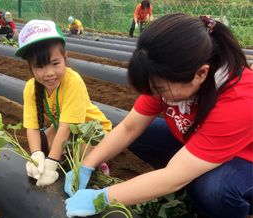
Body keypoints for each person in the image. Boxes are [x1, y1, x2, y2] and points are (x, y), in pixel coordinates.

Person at [64, 13, 253, 218]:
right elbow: (130, 127)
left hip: (244, 162)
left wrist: (103, 198)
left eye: (160, 89)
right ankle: (187, 175)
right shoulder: (167, 78)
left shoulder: (240, 100)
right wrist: (86, 164)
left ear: (200, 74)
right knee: (140, 134)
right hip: (200, 143)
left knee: (213, 188)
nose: (155, 95)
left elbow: (173, 176)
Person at [14, 20, 112, 187]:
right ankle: (64, 152)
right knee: (41, 142)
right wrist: (36, 155)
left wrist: (51, 163)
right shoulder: (31, 88)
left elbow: (67, 127)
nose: (50, 73)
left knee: (79, 152)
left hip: (92, 131)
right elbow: (32, 127)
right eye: (40, 66)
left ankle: (98, 164)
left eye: (55, 63)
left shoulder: (73, 82)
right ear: (29, 66)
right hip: (66, 129)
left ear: (65, 59)